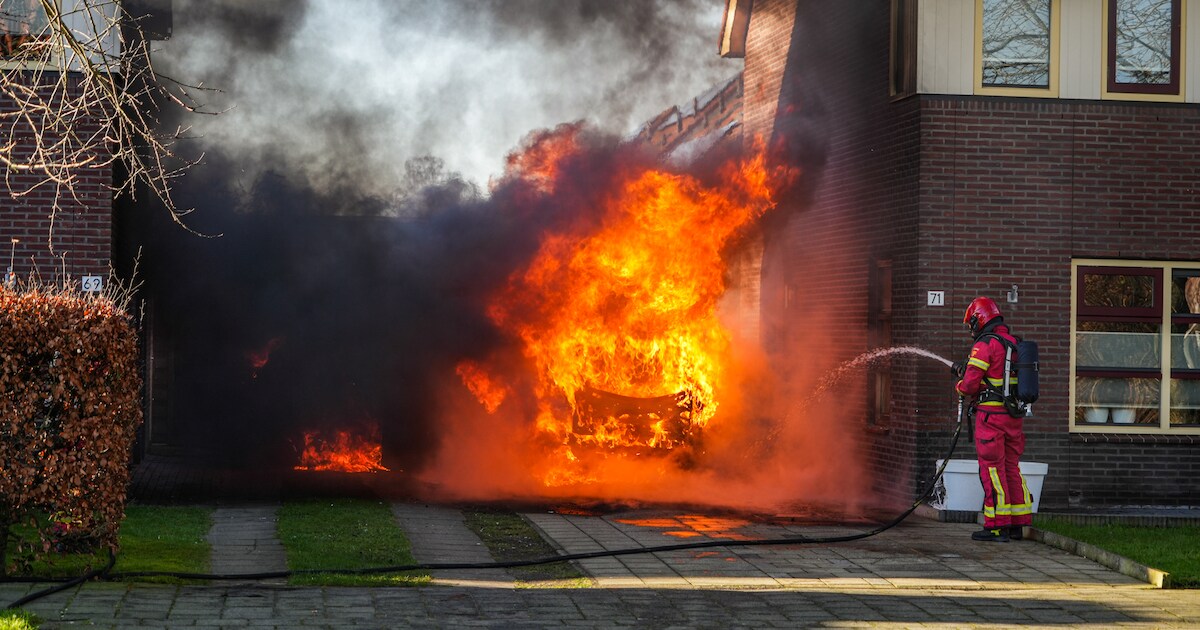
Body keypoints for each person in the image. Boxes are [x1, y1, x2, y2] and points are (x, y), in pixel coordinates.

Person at [950, 297, 1033, 542]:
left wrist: (959, 385)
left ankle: (996, 526)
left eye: (971, 324)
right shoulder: (1014, 343)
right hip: (1013, 417)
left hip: (991, 419)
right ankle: (1018, 523)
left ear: (980, 320)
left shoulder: (985, 344)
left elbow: (970, 385)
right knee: (1011, 467)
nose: (971, 329)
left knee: (992, 470)